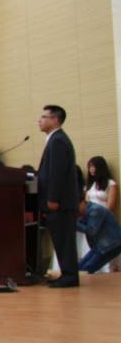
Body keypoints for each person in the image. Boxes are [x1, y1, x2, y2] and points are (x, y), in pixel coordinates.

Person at [37, 105, 79, 288]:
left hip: (59, 203)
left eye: (43, 117)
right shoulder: (55, 139)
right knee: (62, 240)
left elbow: (57, 173)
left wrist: (53, 198)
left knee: (64, 240)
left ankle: (69, 276)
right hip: (59, 202)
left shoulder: (58, 141)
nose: (39, 120)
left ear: (55, 120)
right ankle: (67, 274)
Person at [76, 199, 121, 273]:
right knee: (80, 268)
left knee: (84, 269)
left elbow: (91, 230)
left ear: (82, 202)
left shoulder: (95, 210)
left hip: (110, 245)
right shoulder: (88, 211)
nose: (76, 210)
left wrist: (73, 224)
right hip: (103, 245)